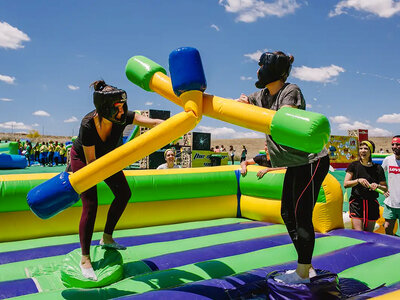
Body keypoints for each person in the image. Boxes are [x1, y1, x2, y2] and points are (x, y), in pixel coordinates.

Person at [237, 51, 330, 283]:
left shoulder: (291, 91)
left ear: (272, 69)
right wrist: (242, 103)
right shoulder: (263, 95)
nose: (257, 71)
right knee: (287, 213)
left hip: (311, 160)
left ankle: (303, 271)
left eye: (261, 66)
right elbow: (244, 103)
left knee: (301, 214)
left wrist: (251, 107)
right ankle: (305, 266)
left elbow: (282, 120)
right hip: (295, 164)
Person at [70, 80, 163, 281]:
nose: (122, 111)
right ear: (105, 108)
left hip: (106, 159)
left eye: (123, 106)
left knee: (124, 193)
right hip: (85, 160)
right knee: (91, 203)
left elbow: (153, 122)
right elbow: (92, 164)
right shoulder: (88, 124)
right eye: (117, 107)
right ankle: (85, 258)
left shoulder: (124, 117)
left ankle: (107, 238)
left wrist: (171, 126)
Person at [344, 140, 387, 232]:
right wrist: (358, 180)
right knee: (359, 233)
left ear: (371, 151)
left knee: (369, 233)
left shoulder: (378, 168)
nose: (363, 151)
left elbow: (385, 188)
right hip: (356, 203)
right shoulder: (354, 165)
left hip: (372, 203)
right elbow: (346, 184)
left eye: (366, 149)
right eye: (361, 148)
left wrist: (377, 186)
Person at [382, 135, 400, 235]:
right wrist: (383, 188)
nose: (394, 146)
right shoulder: (388, 160)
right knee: (388, 228)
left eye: (397, 144)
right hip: (390, 203)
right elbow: (379, 175)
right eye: (393, 144)